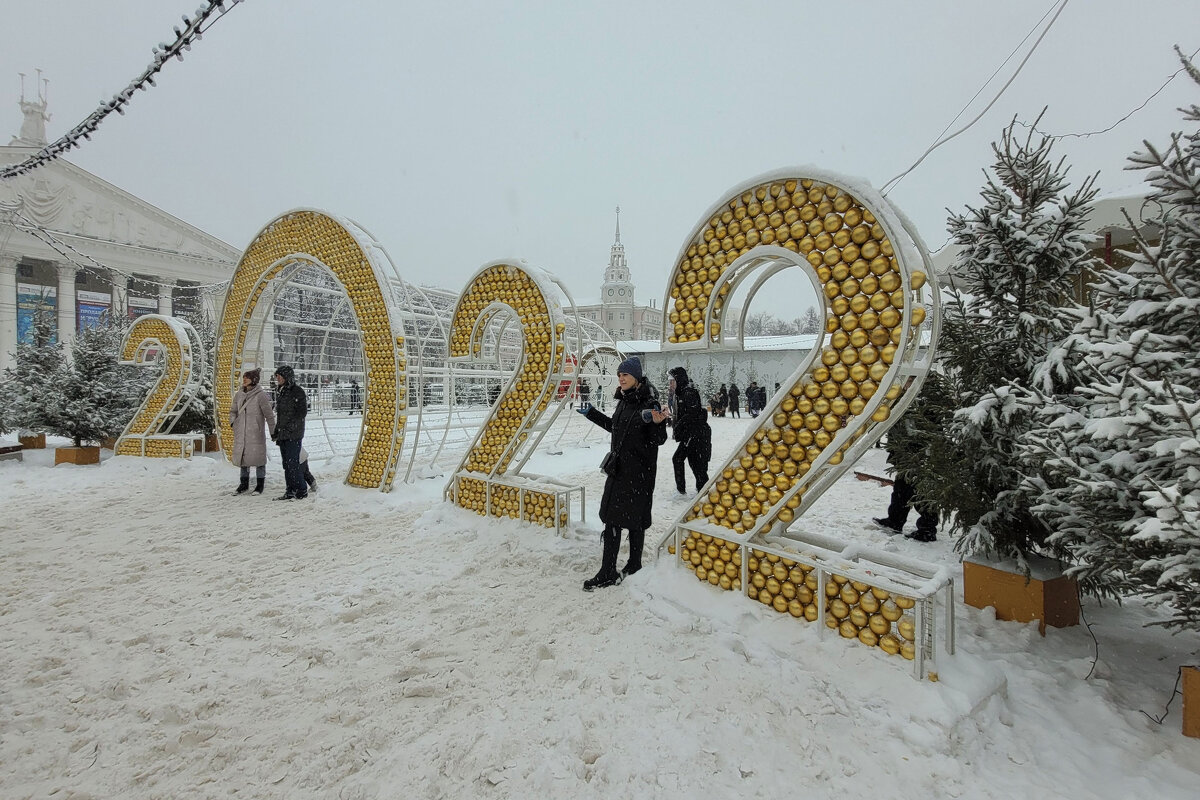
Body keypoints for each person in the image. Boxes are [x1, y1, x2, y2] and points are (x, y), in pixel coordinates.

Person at [577, 356, 669, 591]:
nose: (621, 378)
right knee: (616, 519)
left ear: (636, 377)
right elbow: (616, 427)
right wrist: (592, 414)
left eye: (625, 374)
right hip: (620, 470)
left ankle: (624, 567)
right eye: (619, 375)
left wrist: (658, 423)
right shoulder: (625, 400)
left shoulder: (649, 402)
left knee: (629, 519)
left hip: (639, 472)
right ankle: (620, 566)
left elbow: (659, 439)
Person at [229, 368, 275, 496]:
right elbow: (233, 410)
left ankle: (260, 485)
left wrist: (273, 432)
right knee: (243, 458)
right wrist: (233, 422)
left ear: (254, 380)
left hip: (255, 432)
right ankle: (243, 484)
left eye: (247, 377)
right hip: (241, 431)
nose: (244, 379)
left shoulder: (260, 395)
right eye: (243, 377)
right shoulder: (239, 394)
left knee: (258, 458)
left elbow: (269, 415)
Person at [668, 366, 711, 496]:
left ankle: (702, 491)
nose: (670, 384)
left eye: (672, 380)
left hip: (696, 435)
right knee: (690, 462)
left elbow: (693, 413)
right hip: (691, 435)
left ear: (679, 380)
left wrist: (679, 424)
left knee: (695, 463)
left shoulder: (688, 393)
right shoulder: (681, 393)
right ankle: (697, 490)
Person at [271, 365, 309, 501]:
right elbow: (281, 415)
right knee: (287, 464)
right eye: (277, 376)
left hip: (293, 434)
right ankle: (290, 490)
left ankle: (301, 490)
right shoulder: (281, 392)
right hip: (283, 434)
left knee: (293, 463)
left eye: (280, 376)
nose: (278, 378)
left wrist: (291, 427)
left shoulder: (297, 391)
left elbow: (301, 412)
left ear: (287, 377)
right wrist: (277, 431)